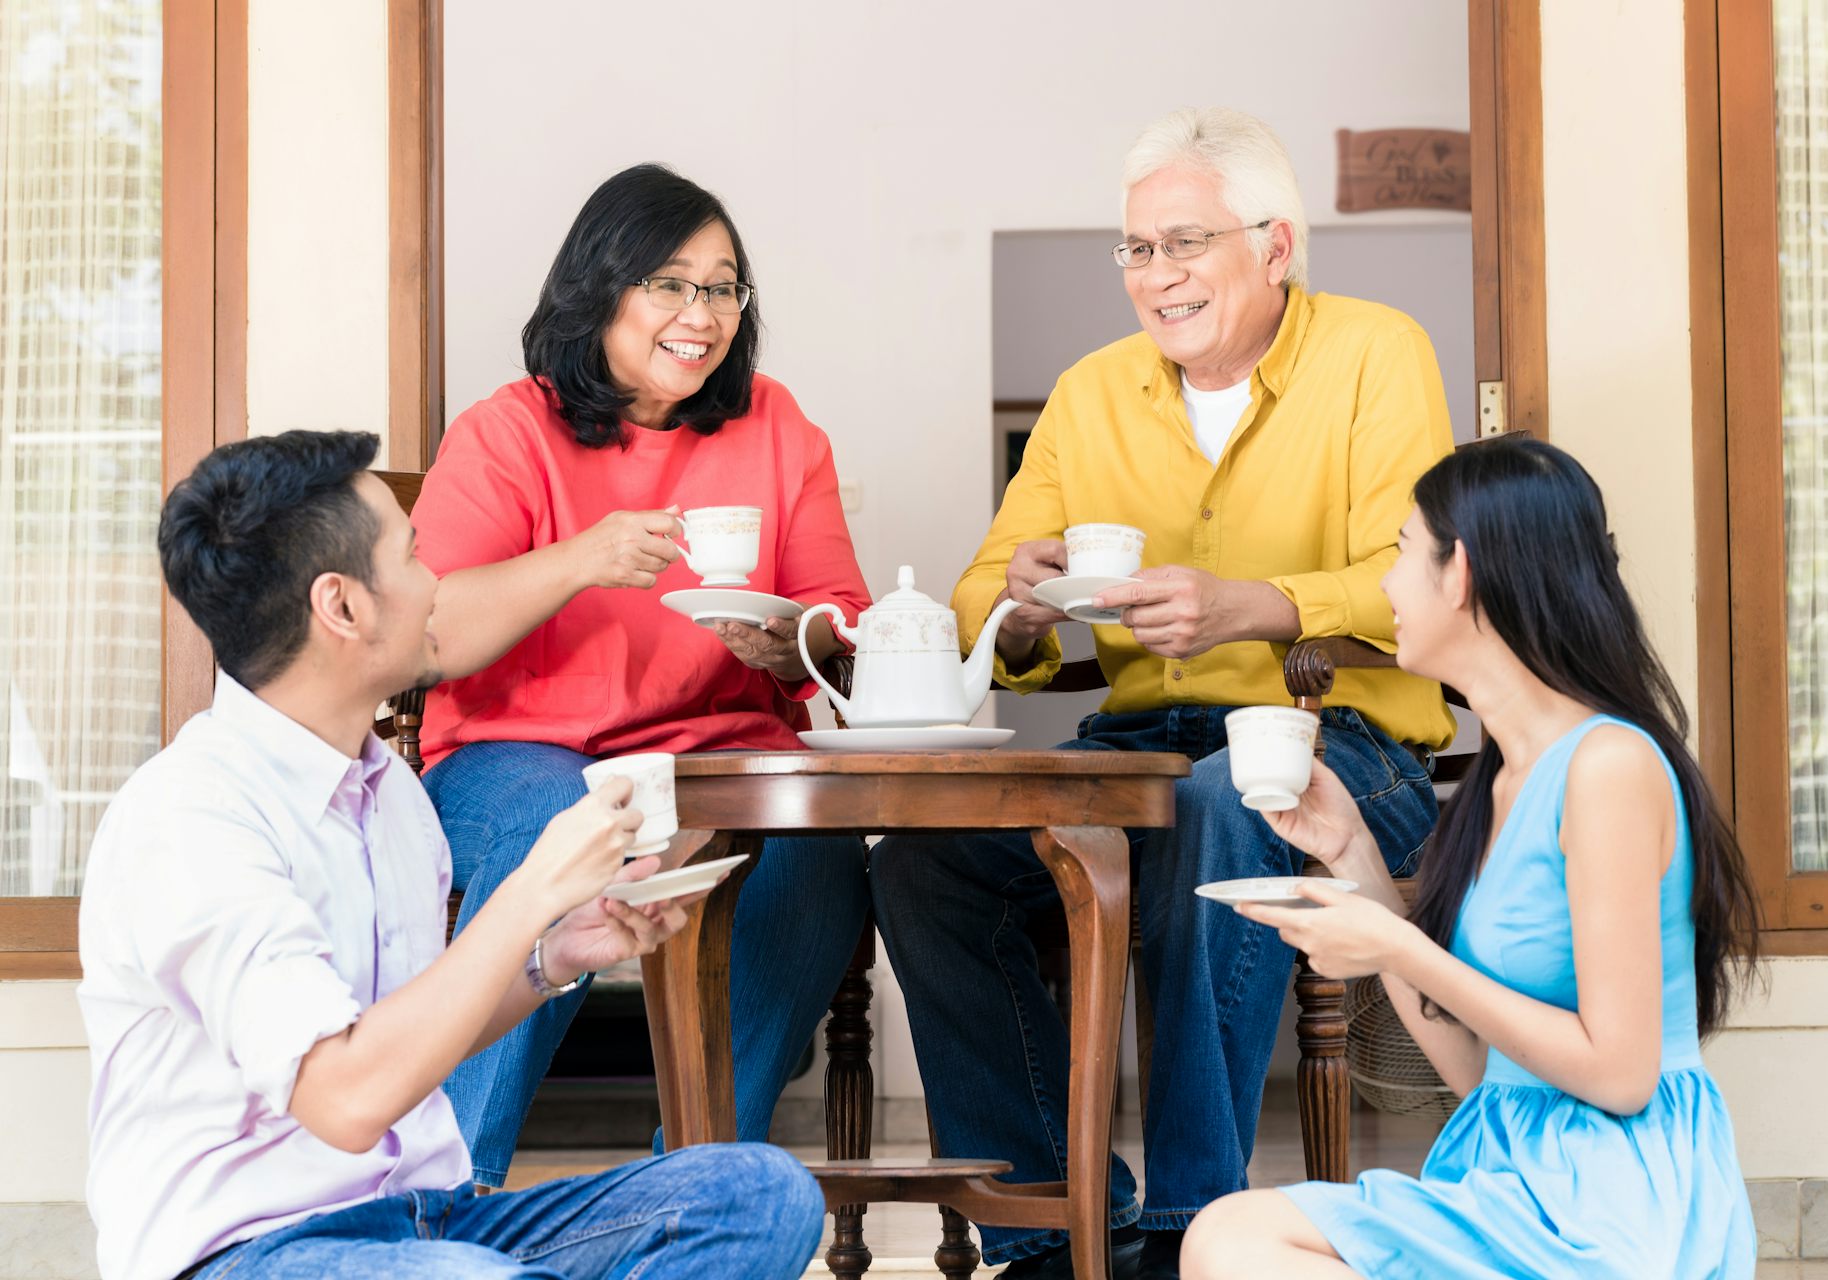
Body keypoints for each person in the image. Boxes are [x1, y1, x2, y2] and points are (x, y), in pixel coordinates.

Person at [868, 107, 1454, 1278]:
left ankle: (1192, 1230)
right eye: (1137, 248)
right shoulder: (1089, 392)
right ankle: (1053, 1226)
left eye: (1185, 242)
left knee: (1217, 801)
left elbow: (1422, 587)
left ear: (1275, 246)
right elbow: (983, 591)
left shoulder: (1376, 353)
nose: (1157, 273)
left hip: (1345, 745)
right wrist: (1020, 609)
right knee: (921, 864)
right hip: (1134, 753)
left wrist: (1254, 605)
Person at [77, 431, 823, 1280]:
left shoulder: (387, 794)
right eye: (411, 557)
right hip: (255, 1251)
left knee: (759, 1194)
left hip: (431, 1222)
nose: (437, 581)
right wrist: (531, 891)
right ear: (341, 606)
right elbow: (347, 1096)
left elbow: (414, 1028)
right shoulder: (195, 818)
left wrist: (552, 957)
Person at [1182, 437, 1762, 1279]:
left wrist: (1399, 945)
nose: (1387, 586)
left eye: (1402, 553)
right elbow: (1479, 1071)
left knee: (1231, 1244)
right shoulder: (1502, 781)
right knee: (1231, 1237)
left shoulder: (1607, 766)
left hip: (1612, 1208)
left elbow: (1622, 1076)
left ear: (1461, 574)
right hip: (1513, 1179)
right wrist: (1353, 856)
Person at [409, 164, 871, 1185]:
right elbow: (429, 632)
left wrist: (790, 642)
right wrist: (579, 559)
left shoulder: (778, 426)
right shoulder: (506, 431)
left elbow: (842, 625)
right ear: (598, 288)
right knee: (559, 829)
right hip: (518, 758)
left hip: (722, 756)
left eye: (722, 287)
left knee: (817, 851)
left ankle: (691, 1186)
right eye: (669, 282)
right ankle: (447, 1190)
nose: (700, 314)